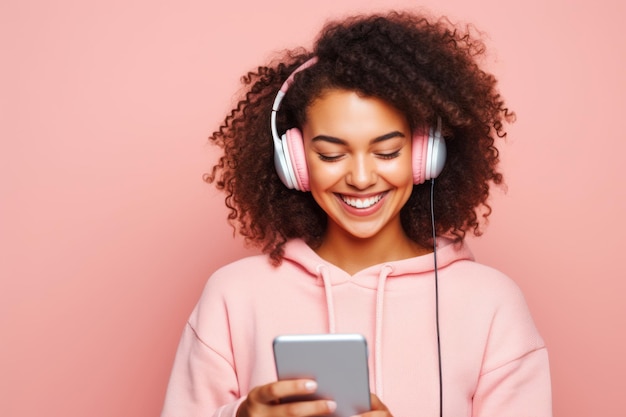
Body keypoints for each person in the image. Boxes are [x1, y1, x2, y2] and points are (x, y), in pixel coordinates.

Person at [161, 10, 552, 417]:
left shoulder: (491, 304)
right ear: (293, 162)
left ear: (425, 155)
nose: (362, 178)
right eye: (331, 154)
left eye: (387, 152)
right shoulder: (233, 295)